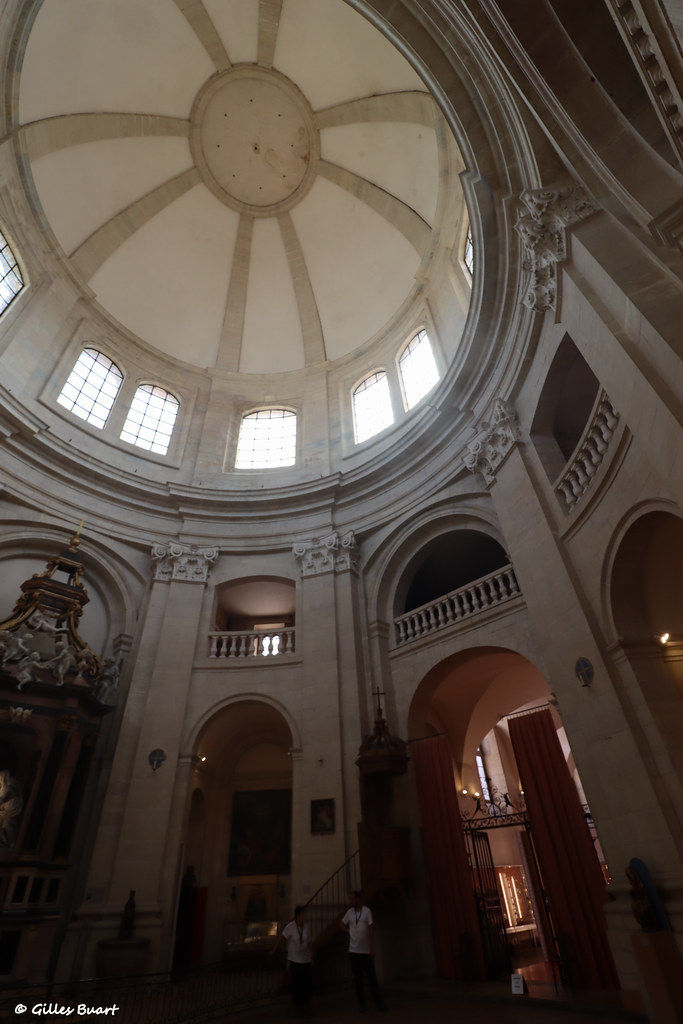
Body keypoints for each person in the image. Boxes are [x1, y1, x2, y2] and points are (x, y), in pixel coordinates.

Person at [340, 891, 387, 1013]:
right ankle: (362, 1004)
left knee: (372, 979)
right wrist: (348, 931)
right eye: (350, 899)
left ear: (358, 899)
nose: (351, 901)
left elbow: (371, 929)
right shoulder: (349, 912)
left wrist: (371, 947)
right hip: (353, 951)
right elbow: (341, 924)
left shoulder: (367, 911)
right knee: (358, 980)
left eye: (353, 899)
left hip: (366, 952)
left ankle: (379, 1004)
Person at [272, 905, 313, 1012]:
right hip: (295, 960)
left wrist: (312, 956)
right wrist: (273, 950)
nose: (304, 916)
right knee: (296, 982)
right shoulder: (290, 927)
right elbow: (281, 937)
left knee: (306, 981)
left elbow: (309, 942)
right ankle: (297, 1003)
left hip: (305, 959)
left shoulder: (307, 927)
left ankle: (305, 1002)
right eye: (303, 914)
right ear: (298, 915)